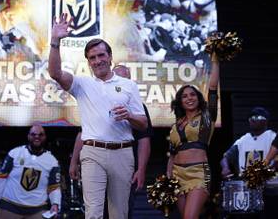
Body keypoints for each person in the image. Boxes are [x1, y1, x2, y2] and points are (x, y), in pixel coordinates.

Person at [49, 13, 148, 219]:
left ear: (110, 57)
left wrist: (129, 115)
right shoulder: (82, 84)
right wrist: (55, 42)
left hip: (123, 153)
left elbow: (143, 123)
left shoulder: (128, 85)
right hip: (93, 152)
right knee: (93, 213)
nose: (97, 61)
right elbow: (55, 73)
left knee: (119, 214)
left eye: (101, 55)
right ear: (88, 62)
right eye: (92, 58)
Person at [68, 64, 152, 219]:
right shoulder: (96, 101)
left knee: (121, 211)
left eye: (122, 78)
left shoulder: (137, 106)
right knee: (94, 210)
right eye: (115, 76)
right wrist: (74, 161)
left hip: (124, 160)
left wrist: (141, 169)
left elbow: (144, 139)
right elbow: (83, 133)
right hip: (95, 155)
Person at [166, 52, 219, 219]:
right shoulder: (176, 125)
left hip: (198, 173)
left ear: (198, 98)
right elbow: (172, 154)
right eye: (185, 96)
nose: (189, 98)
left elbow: (212, 89)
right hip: (177, 175)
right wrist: (168, 178)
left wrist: (215, 60)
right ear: (180, 101)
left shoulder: (206, 118)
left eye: (193, 95)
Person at [0, 124, 61, 219]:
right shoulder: (14, 153)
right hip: (10, 206)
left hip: (37, 209)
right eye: (33, 134)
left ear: (45, 137)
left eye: (40, 134)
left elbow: (54, 187)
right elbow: (1, 177)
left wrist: (55, 204)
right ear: (28, 136)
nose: (37, 137)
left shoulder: (52, 161)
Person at [221, 107, 276, 178]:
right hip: (246, 185)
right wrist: (225, 168)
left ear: (265, 121)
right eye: (251, 118)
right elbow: (225, 158)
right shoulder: (243, 140)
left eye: (257, 117)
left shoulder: (272, 137)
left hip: (268, 184)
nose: (253, 120)